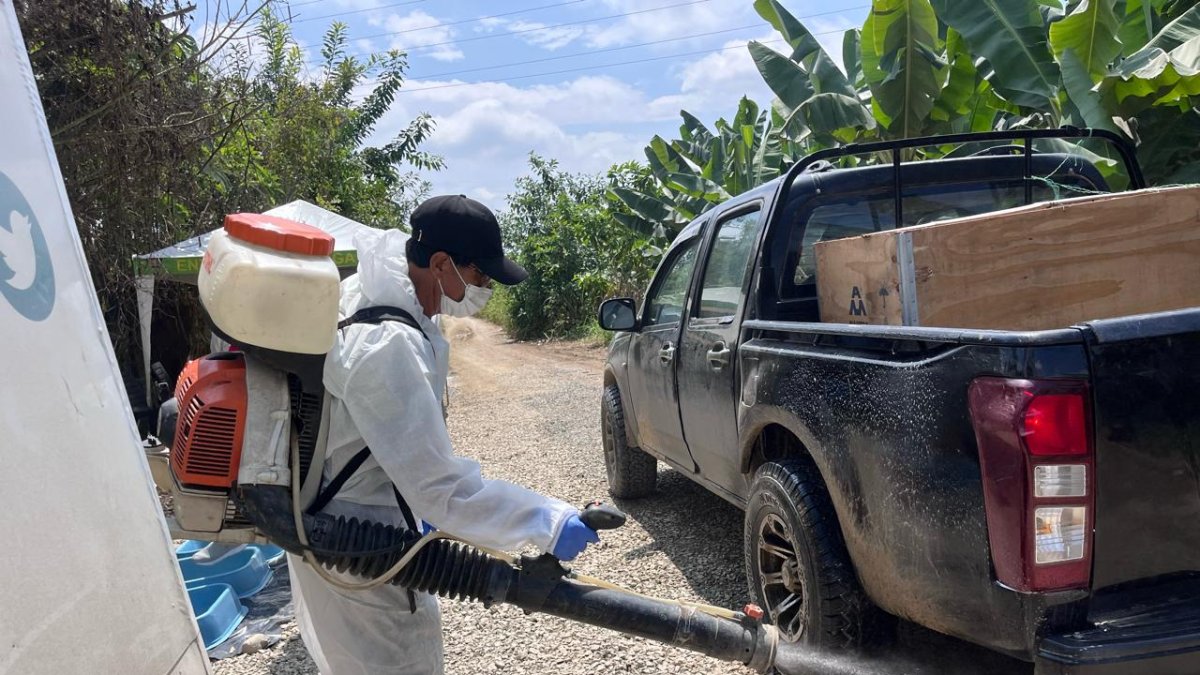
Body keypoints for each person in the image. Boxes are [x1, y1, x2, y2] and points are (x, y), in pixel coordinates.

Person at [287, 195, 600, 674]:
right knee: (401, 663)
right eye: (479, 276)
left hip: (367, 525)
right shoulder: (387, 344)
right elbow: (441, 489)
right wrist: (548, 521)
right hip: (356, 537)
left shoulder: (381, 300)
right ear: (439, 263)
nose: (484, 288)